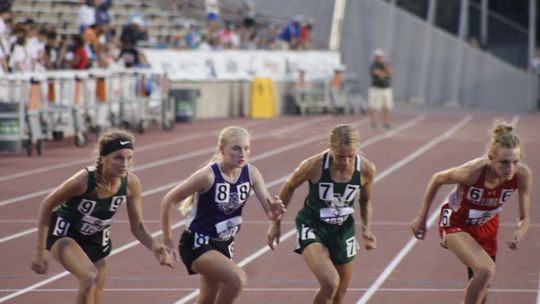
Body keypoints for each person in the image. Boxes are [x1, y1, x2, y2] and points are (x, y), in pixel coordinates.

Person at [31, 129, 173, 304]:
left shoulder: (131, 183)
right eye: (118, 158)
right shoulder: (84, 180)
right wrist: (39, 251)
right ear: (104, 157)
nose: (125, 163)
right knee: (89, 277)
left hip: (97, 239)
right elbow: (47, 204)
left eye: (129, 158)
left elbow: (137, 225)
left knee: (95, 295)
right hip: (66, 232)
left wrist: (154, 247)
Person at [410, 119, 532, 304]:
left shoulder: (522, 175)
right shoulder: (472, 172)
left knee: (482, 286)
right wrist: (421, 217)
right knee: (486, 271)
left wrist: (520, 231)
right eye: (504, 163)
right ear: (491, 159)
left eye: (515, 162)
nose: (510, 169)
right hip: (456, 223)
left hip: (487, 228)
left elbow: (524, 217)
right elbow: (437, 179)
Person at [161, 126, 286, 304]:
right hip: (198, 242)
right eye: (236, 148)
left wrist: (275, 215)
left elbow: (270, 211)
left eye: (246, 148)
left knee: (207, 299)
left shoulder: (251, 173)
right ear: (221, 149)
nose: (242, 153)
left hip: (225, 244)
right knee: (237, 279)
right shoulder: (208, 176)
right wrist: (167, 240)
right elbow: (168, 201)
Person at [267, 124, 377, 304]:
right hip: (312, 225)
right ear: (330, 147)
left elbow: (365, 201)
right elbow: (289, 186)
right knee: (330, 283)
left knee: (339, 296)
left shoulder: (366, 170)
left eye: (351, 156)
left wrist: (366, 228)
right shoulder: (313, 165)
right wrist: (275, 223)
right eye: (340, 156)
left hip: (342, 230)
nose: (346, 161)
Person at [368, 49, 393, 130]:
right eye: (377, 57)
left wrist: (384, 68)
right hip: (376, 89)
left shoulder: (386, 65)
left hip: (386, 88)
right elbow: (377, 73)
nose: (379, 59)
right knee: (374, 107)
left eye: (381, 57)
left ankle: (385, 123)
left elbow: (390, 73)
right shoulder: (373, 65)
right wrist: (384, 72)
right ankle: (373, 122)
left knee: (387, 107)